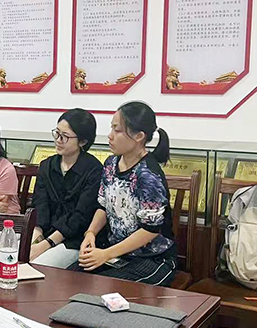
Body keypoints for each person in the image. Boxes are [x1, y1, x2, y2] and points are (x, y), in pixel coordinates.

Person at [68, 101, 176, 286]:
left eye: (117, 130)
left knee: (103, 288)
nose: (110, 136)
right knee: (70, 279)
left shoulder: (148, 174)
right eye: (112, 128)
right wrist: (91, 233)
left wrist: (105, 254)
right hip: (117, 254)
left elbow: (150, 230)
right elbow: (103, 205)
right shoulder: (111, 164)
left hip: (152, 259)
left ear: (139, 136)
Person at [29, 109, 103, 269]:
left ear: (82, 141)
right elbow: (40, 205)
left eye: (65, 136)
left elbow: (80, 217)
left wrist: (46, 244)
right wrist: (36, 237)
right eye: (57, 133)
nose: (58, 140)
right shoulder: (47, 165)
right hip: (45, 233)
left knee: (38, 265)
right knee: (10, 254)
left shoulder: (94, 170)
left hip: (74, 240)